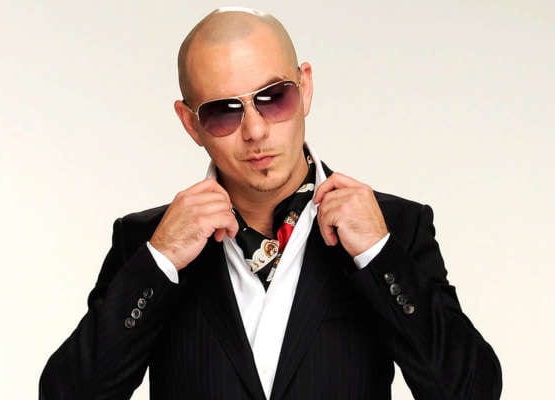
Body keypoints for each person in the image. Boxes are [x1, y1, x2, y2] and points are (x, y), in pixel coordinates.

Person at [40, 7, 502, 400]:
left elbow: (472, 391)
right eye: (223, 111)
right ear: (190, 123)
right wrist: (158, 263)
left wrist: (379, 255)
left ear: (306, 88)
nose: (256, 131)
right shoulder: (146, 242)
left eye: (274, 98)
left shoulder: (395, 226)